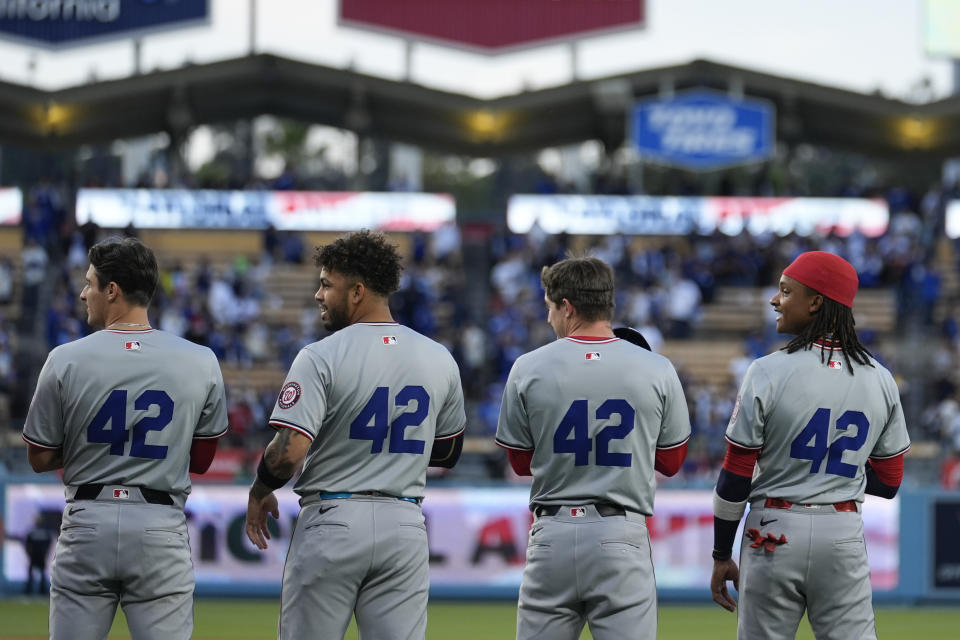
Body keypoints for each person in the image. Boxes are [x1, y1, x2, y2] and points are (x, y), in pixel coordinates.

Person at [244, 230, 466, 640]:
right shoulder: (440, 357)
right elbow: (448, 452)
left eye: (328, 284)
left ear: (358, 291)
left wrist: (259, 490)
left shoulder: (320, 355)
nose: (318, 294)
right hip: (404, 522)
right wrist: (388, 454)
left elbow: (287, 455)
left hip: (334, 518)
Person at [22, 236, 228, 640]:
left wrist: (88, 446)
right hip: (159, 523)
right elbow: (202, 460)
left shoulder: (65, 358)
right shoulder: (200, 359)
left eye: (90, 283)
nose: (84, 293)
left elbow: (39, 457)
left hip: (87, 520)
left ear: (112, 290)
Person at [710, 251, 910, 640]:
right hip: (842, 529)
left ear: (816, 302)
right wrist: (834, 469)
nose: (774, 300)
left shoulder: (766, 369)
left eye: (786, 291)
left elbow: (735, 475)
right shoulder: (881, 378)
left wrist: (721, 554)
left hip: (774, 529)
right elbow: (889, 480)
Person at [495, 255, 691, 640]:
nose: (549, 318)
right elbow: (671, 461)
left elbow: (520, 462)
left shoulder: (528, 366)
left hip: (552, 531)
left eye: (551, 308)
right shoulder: (656, 367)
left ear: (567, 308)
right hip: (621, 529)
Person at [23, 515, 53, 595]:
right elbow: (27, 544)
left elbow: (27, 544)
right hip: (36, 556)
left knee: (40, 574)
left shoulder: (35, 532)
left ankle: (37, 591)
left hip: (37, 556)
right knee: (34, 574)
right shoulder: (42, 532)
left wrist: (30, 553)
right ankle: (32, 591)